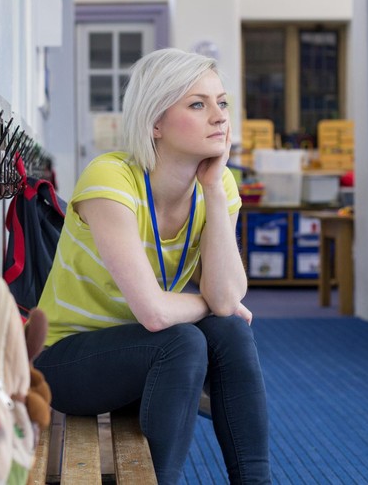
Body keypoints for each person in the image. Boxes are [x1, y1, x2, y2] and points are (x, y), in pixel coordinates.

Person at [34, 48, 271, 484]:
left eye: (221, 102)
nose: (219, 117)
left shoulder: (218, 185)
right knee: (182, 341)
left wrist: (215, 193)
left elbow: (228, 298)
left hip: (147, 359)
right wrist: (208, 302)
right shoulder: (110, 179)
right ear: (155, 123)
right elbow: (157, 313)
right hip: (65, 364)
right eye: (197, 105)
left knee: (230, 330)